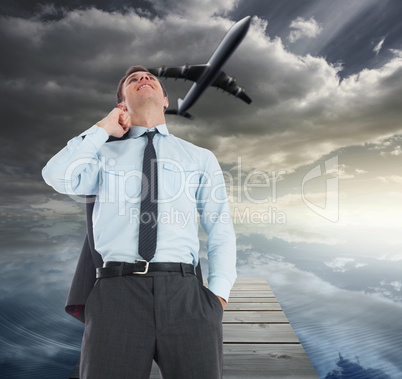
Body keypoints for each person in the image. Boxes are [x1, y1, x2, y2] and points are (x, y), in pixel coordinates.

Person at [42, 65, 237, 379]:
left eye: (151, 78)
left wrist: (218, 297)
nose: (143, 79)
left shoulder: (199, 157)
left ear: (165, 100)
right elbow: (56, 175)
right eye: (133, 81)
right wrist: (102, 129)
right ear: (122, 104)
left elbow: (220, 227)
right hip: (116, 293)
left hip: (186, 295)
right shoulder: (101, 156)